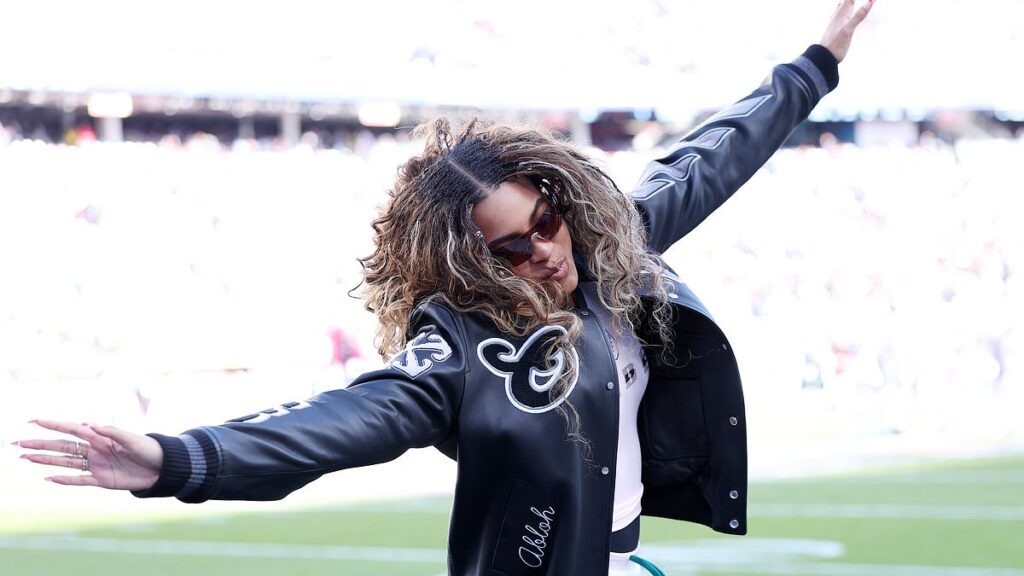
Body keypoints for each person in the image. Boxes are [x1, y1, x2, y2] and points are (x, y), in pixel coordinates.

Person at [16, 2, 876, 574]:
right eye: (511, 248)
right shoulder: (463, 345)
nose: (544, 251)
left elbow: (711, 158)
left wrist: (814, 66)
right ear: (472, 264)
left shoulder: (611, 246)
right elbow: (341, 423)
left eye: (546, 221)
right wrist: (177, 460)